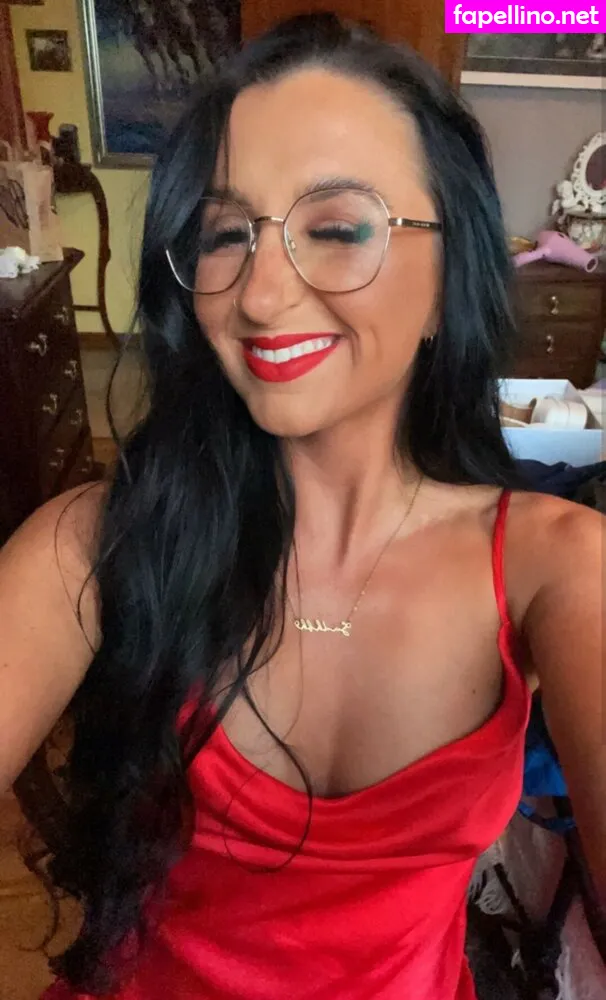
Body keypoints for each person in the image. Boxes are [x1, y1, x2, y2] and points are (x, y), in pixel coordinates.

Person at [1, 13, 603, 1000]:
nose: (261, 295)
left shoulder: (556, 566)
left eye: (337, 228)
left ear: (449, 275)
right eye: (225, 234)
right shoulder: (90, 545)